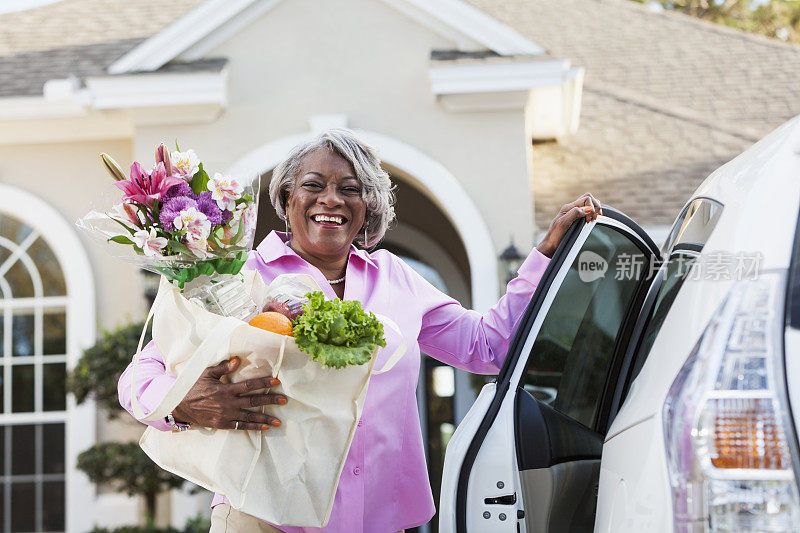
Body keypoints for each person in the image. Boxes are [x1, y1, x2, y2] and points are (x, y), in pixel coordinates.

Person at [118, 129, 601, 533]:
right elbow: (140, 375)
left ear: (367, 207)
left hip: (383, 521)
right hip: (265, 518)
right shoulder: (234, 274)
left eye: (350, 189)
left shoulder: (397, 279)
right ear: (287, 197)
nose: (331, 200)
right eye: (313, 185)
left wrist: (543, 259)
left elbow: (487, 347)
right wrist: (183, 404)